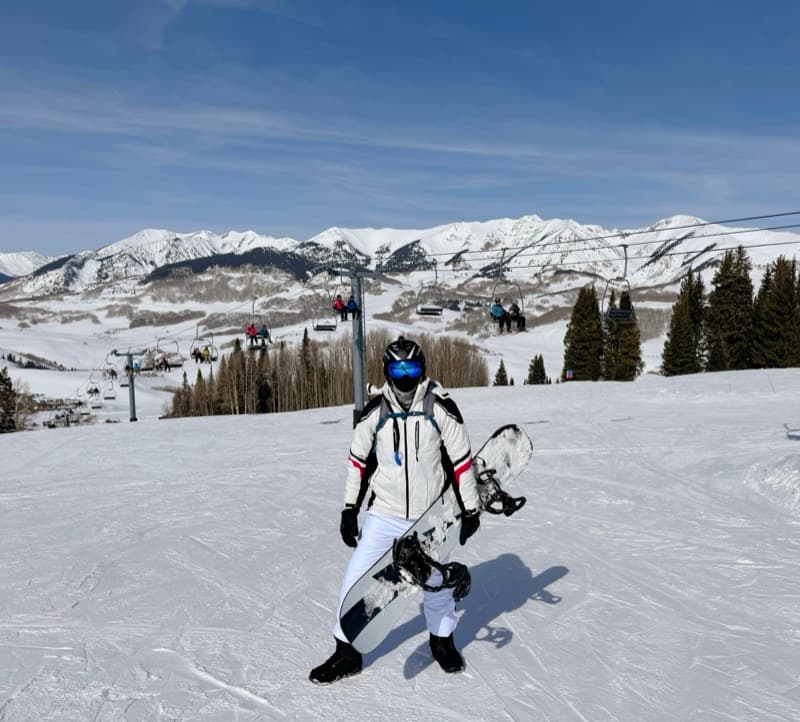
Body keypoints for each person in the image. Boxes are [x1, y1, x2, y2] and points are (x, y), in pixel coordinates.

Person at [309, 336, 482, 684]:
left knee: (436, 582)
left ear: (422, 370)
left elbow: (461, 461)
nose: (405, 377)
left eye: (411, 369)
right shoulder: (375, 413)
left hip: (429, 515)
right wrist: (349, 509)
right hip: (385, 513)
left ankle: (442, 641)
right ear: (387, 371)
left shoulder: (440, 408)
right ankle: (346, 653)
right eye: (398, 369)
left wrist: (470, 508)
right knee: (357, 578)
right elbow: (358, 462)